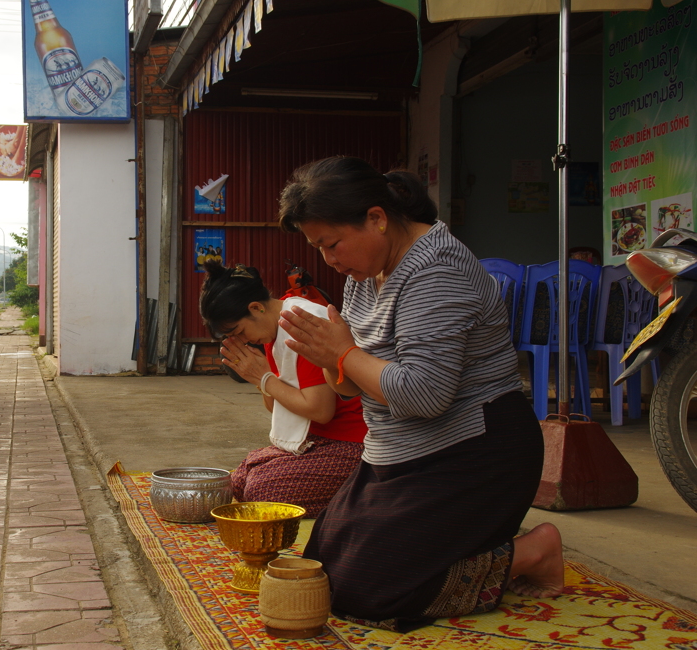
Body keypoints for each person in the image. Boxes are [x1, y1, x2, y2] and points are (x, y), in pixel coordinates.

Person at [275, 156, 563, 632]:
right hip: (397, 453)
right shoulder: (361, 278)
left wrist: (343, 353)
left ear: (376, 218)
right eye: (318, 247)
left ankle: (534, 552)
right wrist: (330, 359)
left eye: (332, 244)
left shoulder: (438, 269)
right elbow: (352, 385)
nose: (328, 259)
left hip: (476, 450)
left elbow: (426, 394)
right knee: (322, 570)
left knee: (373, 592)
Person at [199, 260, 366, 519]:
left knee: (261, 491)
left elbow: (321, 411)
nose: (242, 341)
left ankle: (361, 496)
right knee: (239, 480)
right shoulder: (270, 329)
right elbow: (276, 404)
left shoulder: (300, 323)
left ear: (256, 308)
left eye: (240, 331)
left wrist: (264, 378)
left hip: (350, 442)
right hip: (314, 439)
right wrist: (258, 379)